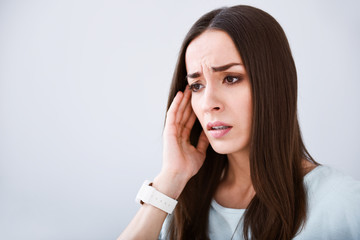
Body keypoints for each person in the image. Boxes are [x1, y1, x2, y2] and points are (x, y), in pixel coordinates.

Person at [118, 5, 360, 240]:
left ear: (274, 85)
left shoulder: (343, 203)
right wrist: (170, 179)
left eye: (231, 78)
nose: (208, 103)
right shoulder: (173, 201)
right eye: (197, 85)